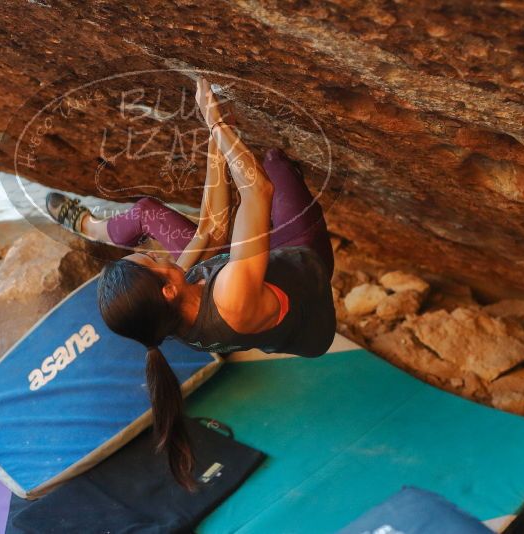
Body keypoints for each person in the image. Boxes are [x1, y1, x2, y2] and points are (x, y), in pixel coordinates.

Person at [45, 78, 336, 488]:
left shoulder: (167, 315)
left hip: (250, 274)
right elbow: (257, 193)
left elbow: (212, 230)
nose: (159, 254)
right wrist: (217, 124)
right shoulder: (228, 299)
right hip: (303, 270)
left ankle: (92, 227)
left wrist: (215, 147)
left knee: (149, 214)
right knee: (273, 163)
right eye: (152, 258)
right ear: (166, 287)